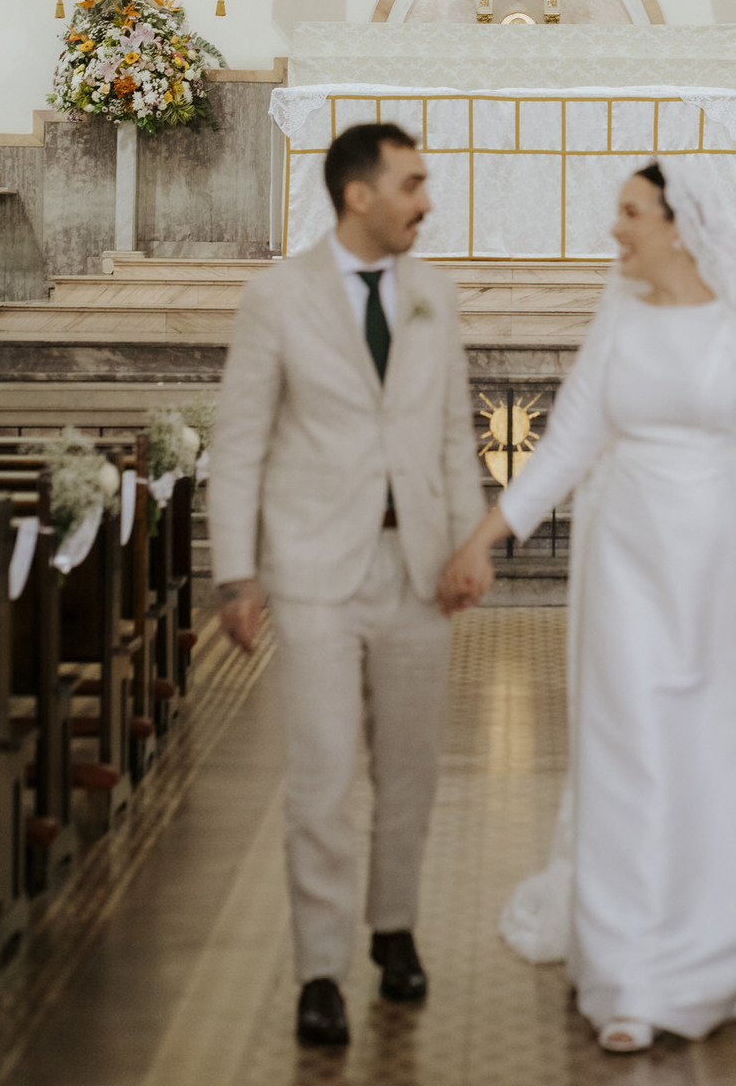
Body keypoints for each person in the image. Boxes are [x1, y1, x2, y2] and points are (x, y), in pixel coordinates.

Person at [438, 155, 736, 1054]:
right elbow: (570, 437)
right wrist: (483, 538)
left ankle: (725, 944)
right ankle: (629, 972)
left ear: (679, 225)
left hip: (722, 564)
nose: (615, 229)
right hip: (626, 570)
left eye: (629, 213)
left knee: (726, 751)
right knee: (631, 750)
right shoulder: (619, 319)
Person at [208, 123, 484, 1048]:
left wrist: (468, 541)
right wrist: (236, 573)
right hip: (316, 571)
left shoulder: (438, 296)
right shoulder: (276, 298)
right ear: (358, 194)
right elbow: (240, 442)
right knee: (323, 775)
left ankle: (393, 928)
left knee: (409, 769)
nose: (426, 200)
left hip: (416, 569)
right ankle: (319, 968)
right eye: (412, 183)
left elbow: (453, 434)